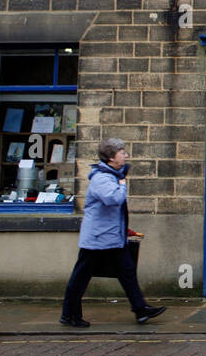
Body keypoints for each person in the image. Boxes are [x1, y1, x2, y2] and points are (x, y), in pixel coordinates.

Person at [60, 138, 166, 327]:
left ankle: (141, 310)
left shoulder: (110, 175)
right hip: (97, 238)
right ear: (111, 157)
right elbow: (113, 199)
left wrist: (124, 229)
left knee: (127, 272)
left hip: (113, 237)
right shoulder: (102, 177)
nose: (126, 155)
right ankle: (69, 315)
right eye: (122, 152)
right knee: (80, 278)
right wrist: (123, 182)